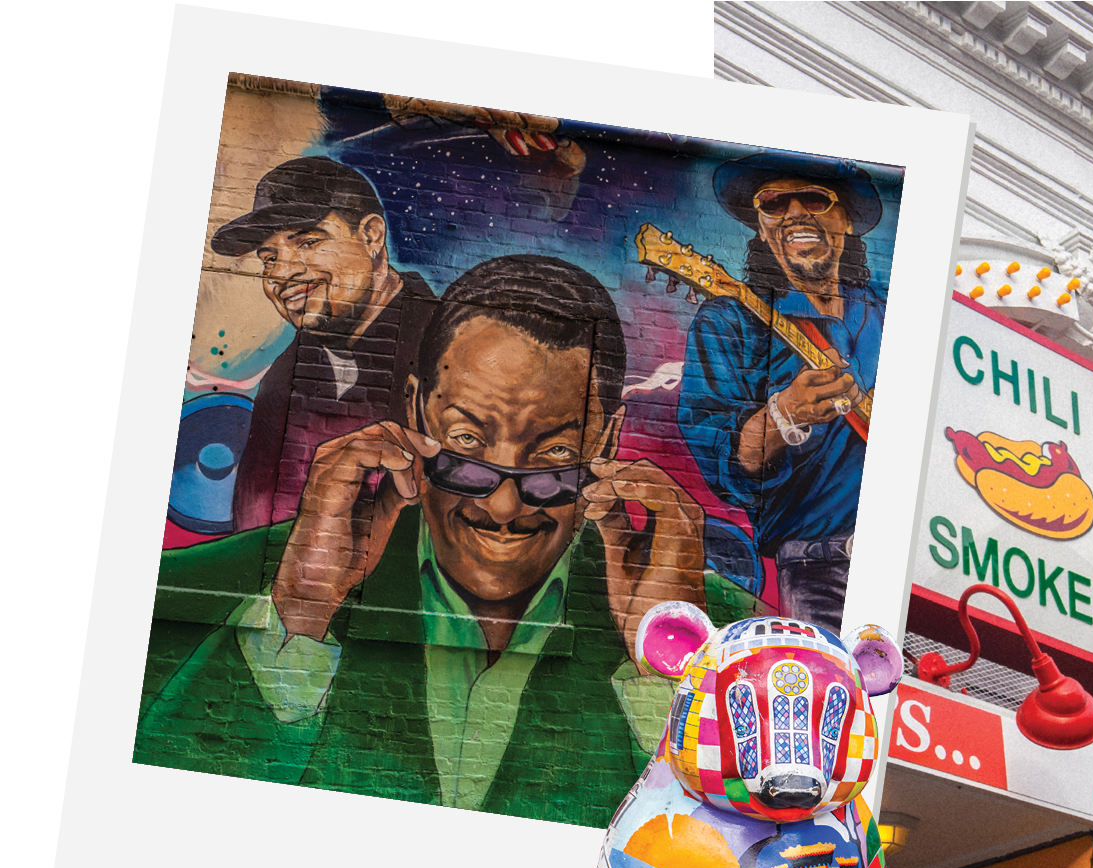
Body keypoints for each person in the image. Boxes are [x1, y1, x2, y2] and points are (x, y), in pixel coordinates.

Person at [137, 255, 757, 825]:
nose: (504, 504)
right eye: (465, 446)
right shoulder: (178, 591)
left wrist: (675, 671)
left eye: (555, 457)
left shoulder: (741, 652)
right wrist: (298, 620)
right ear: (415, 412)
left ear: (609, 443)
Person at [677, 153, 888, 629]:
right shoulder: (731, 322)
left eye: (813, 198)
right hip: (819, 569)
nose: (793, 214)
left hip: (916, 570)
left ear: (847, 221)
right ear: (761, 226)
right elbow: (721, 457)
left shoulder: (895, 316)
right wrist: (785, 414)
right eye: (773, 203)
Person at [209, 157, 438, 532]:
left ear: (371, 236)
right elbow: (252, 530)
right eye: (269, 260)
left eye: (309, 242)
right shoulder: (283, 384)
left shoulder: (453, 351)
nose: (281, 275)